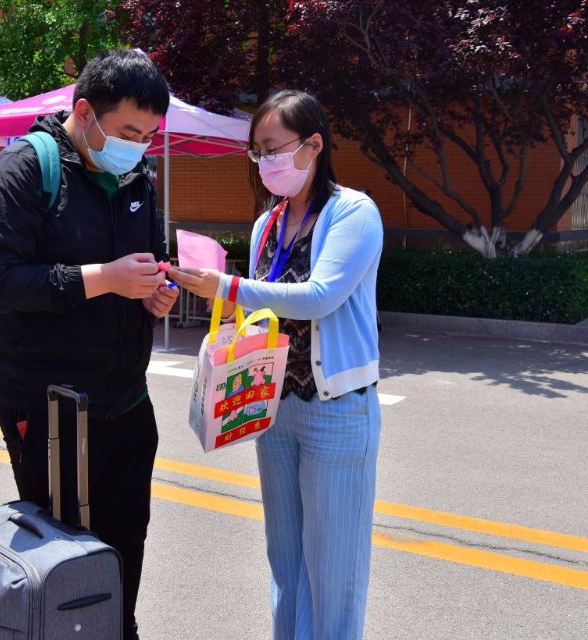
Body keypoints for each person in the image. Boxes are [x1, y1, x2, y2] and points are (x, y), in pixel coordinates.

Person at [0, 49, 178, 640]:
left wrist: (149, 294)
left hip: (127, 398)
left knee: (123, 547)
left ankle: (118, 629)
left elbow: (140, 266)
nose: (139, 146)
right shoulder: (25, 170)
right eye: (129, 132)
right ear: (85, 112)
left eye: (149, 136)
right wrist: (102, 277)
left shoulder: (135, 178)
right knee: (62, 559)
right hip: (52, 403)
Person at [169, 89, 383, 640]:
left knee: (334, 568)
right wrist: (220, 289)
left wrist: (227, 285)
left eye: (273, 148)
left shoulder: (354, 212)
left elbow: (319, 296)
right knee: (286, 561)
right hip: (275, 408)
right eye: (257, 151)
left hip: (336, 408)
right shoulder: (269, 222)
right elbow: (260, 305)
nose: (265, 162)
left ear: (314, 146)